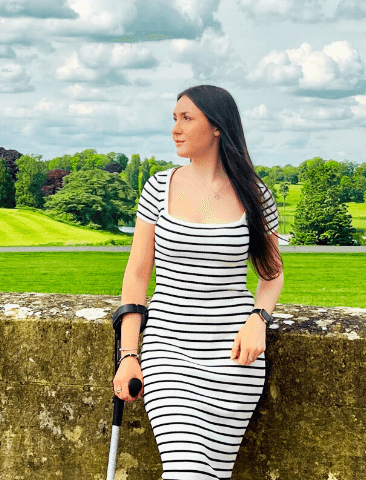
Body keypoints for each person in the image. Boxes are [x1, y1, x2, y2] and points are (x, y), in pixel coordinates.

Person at [112, 84, 284, 479]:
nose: (176, 128)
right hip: (169, 352)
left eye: (187, 118)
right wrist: (129, 355)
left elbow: (271, 274)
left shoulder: (257, 196)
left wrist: (259, 318)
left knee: (213, 474)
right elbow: (137, 276)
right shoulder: (159, 186)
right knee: (185, 471)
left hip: (233, 357)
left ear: (218, 127)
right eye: (174, 118)